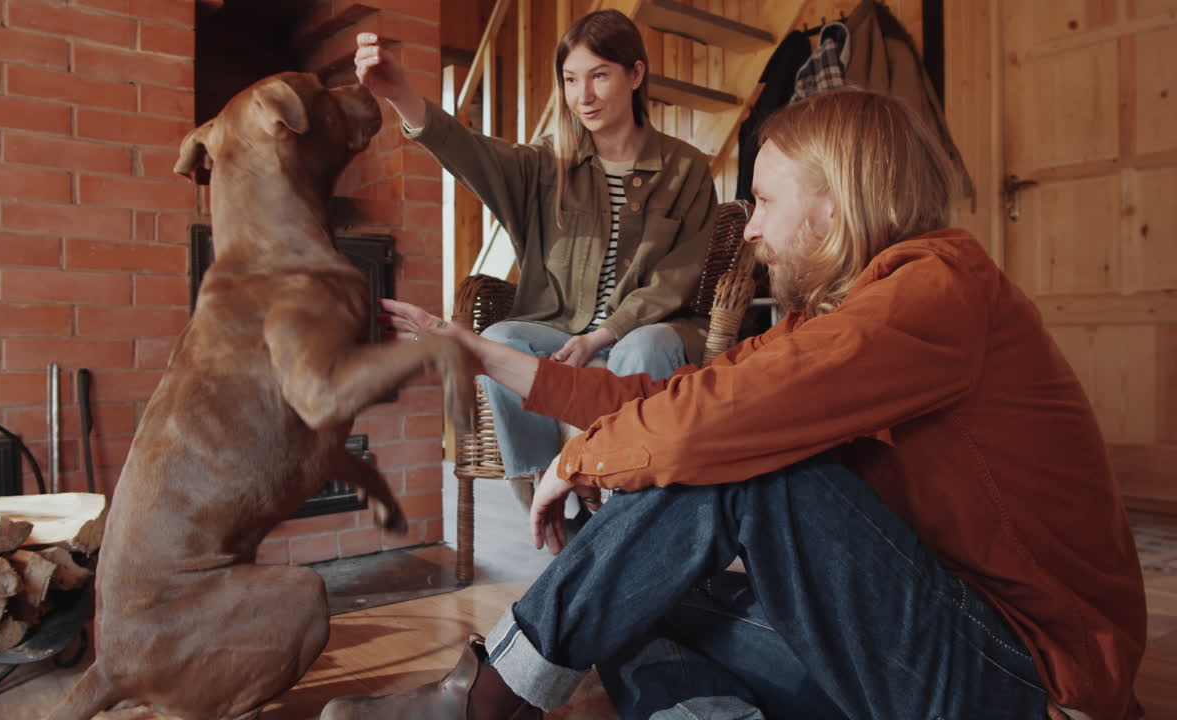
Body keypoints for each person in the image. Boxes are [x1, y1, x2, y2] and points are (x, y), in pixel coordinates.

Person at [322, 88, 1148, 720]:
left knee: (745, 467)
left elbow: (712, 422)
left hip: (1024, 680)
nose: (749, 228)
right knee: (628, 594)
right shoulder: (838, 317)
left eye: (765, 201)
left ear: (834, 203)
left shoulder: (939, 290)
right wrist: (484, 354)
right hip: (918, 641)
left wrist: (577, 458)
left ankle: (484, 698)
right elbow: (674, 397)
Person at [354, 10, 718, 513]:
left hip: (648, 329)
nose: (583, 96)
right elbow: (471, 153)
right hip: (558, 328)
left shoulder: (686, 169)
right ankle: (545, 494)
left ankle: (629, 502)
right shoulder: (548, 164)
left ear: (635, 75)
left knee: (645, 346)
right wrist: (400, 95)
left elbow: (677, 277)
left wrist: (601, 336)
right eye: (570, 80)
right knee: (501, 338)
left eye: (599, 76)